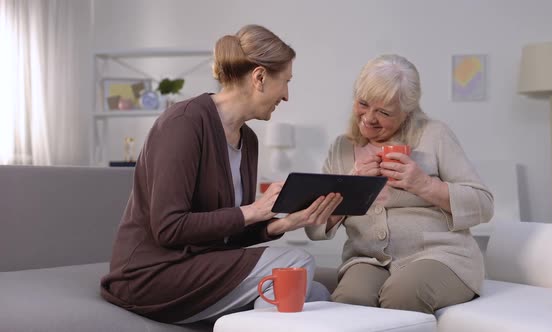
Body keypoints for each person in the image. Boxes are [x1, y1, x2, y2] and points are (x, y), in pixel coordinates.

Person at [100, 24, 342, 324]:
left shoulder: (248, 140)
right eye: (286, 82)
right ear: (260, 77)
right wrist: (253, 210)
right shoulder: (184, 123)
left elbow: (226, 236)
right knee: (297, 263)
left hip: (200, 267)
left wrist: (284, 224)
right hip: (150, 276)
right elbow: (169, 228)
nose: (287, 95)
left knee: (316, 293)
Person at [305, 54, 494, 314]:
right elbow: (315, 228)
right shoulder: (341, 148)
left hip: (441, 256)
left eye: (383, 112)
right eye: (363, 104)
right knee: (349, 300)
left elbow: (484, 204)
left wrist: (424, 184)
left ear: (407, 112)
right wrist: (351, 187)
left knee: (401, 295)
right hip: (367, 259)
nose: (369, 118)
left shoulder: (434, 135)